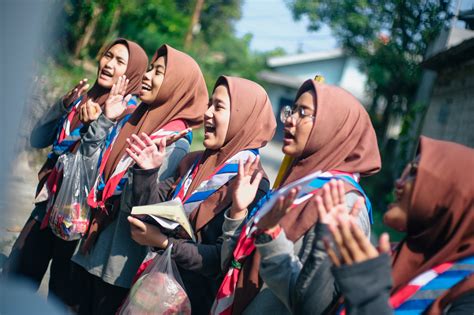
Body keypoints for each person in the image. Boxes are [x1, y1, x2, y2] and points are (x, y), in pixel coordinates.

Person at [213, 79, 381, 315]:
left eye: (304, 113)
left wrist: (271, 237)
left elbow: (314, 305)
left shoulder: (346, 202)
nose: (290, 120)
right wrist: (238, 212)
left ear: (333, 127)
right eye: (292, 110)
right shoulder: (296, 182)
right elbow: (234, 263)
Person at [5, 38, 148, 305]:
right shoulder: (81, 99)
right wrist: (62, 105)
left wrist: (100, 122)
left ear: (132, 75)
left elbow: (101, 167)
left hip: (80, 219)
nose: (109, 64)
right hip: (47, 205)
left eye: (120, 62)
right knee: (18, 273)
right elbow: (38, 139)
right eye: (108, 55)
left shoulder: (128, 117)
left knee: (61, 292)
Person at [71, 44, 209, 315]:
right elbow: (87, 166)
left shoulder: (174, 143)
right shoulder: (131, 119)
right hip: (93, 243)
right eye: (149, 69)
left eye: (159, 72)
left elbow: (145, 207)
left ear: (176, 85)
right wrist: (105, 122)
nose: (147, 76)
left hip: (119, 264)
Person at [127, 76, 277, 314]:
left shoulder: (252, 182)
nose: (207, 113)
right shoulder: (194, 161)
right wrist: (147, 171)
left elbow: (220, 259)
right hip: (156, 287)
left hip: (193, 301)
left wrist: (163, 243)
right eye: (209, 104)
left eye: (218, 107)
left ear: (242, 118)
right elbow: (150, 212)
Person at [324, 136, 474, 314]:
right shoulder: (391, 257)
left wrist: (369, 297)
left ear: (452, 195)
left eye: (414, 173)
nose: (399, 182)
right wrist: (322, 240)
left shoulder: (467, 292)